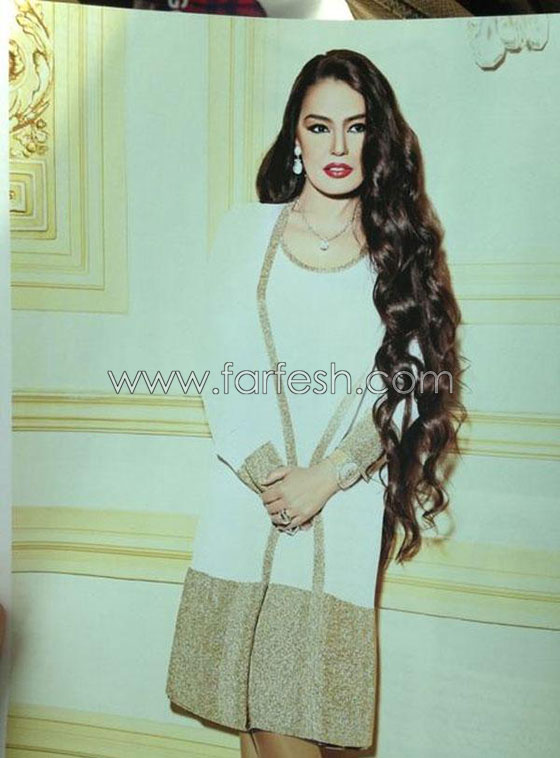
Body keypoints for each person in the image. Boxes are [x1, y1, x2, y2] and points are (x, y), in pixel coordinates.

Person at [166, 49, 466, 757]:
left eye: (356, 128)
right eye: (319, 126)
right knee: (263, 729)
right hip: (248, 514)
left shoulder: (400, 249)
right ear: (295, 136)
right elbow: (220, 369)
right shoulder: (245, 232)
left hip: (345, 514)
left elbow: (412, 387)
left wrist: (327, 478)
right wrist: (276, 483)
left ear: (378, 138)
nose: (338, 147)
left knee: (311, 737)